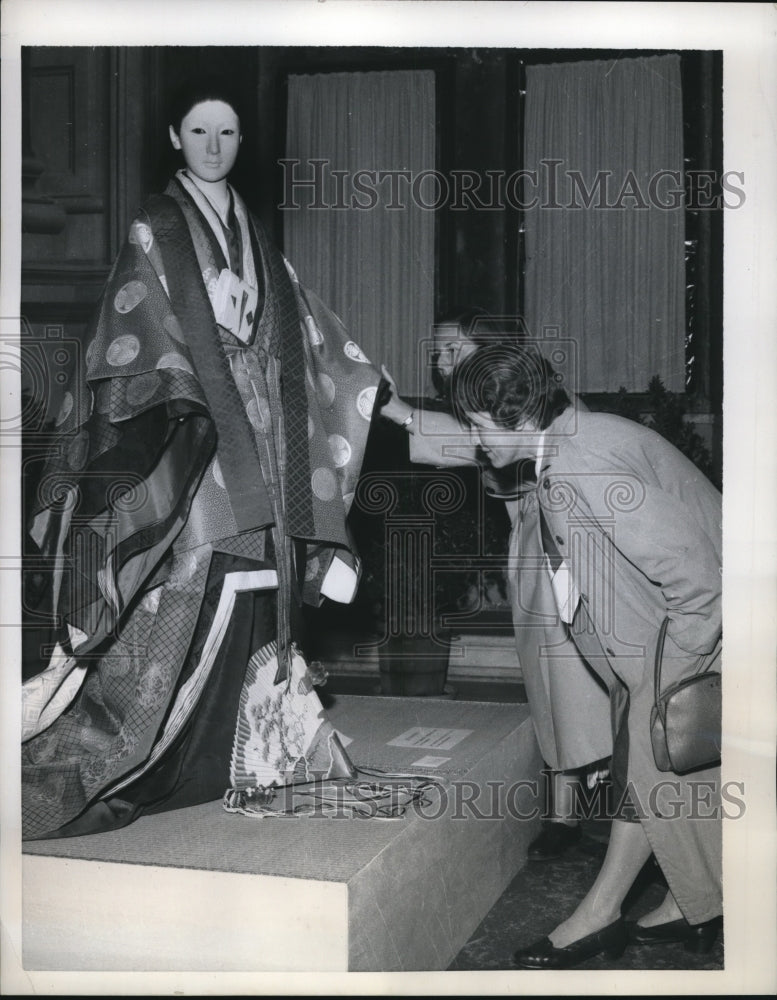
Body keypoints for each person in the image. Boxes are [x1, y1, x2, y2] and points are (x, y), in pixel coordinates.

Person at [21, 77, 381, 840]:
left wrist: (368, 382)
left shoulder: (254, 232)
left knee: (263, 588)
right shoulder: (156, 228)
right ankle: (136, 756)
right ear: (175, 141)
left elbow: (314, 334)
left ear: (240, 142)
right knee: (187, 581)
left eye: (227, 134)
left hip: (267, 433)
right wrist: (202, 331)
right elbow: (130, 329)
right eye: (199, 133)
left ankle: (240, 756)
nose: (213, 147)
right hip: (194, 428)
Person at [451, 341, 722, 968]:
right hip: (664, 641)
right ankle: (697, 902)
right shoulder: (578, 440)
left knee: (653, 765)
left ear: (517, 416)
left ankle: (601, 915)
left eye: (477, 422)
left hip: (689, 636)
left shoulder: (578, 464)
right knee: (661, 773)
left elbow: (696, 574)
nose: (473, 440)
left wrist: (670, 667)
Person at [379, 311, 613, 858]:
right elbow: (462, 442)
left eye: (451, 349)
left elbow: (467, 443)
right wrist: (396, 411)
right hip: (532, 556)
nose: (440, 362)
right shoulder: (485, 413)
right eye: (435, 353)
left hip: (571, 559)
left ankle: (600, 814)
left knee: (578, 687)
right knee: (547, 686)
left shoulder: (539, 402)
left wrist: (396, 411)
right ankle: (565, 814)